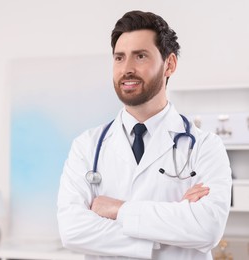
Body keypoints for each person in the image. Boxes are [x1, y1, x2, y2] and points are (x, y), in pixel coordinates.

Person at [57, 10, 232, 260]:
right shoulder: (87, 146)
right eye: (119, 58)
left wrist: (117, 209)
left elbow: (207, 229)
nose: (127, 69)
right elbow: (72, 230)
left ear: (169, 64)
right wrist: (170, 232)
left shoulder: (206, 146)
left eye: (140, 56)